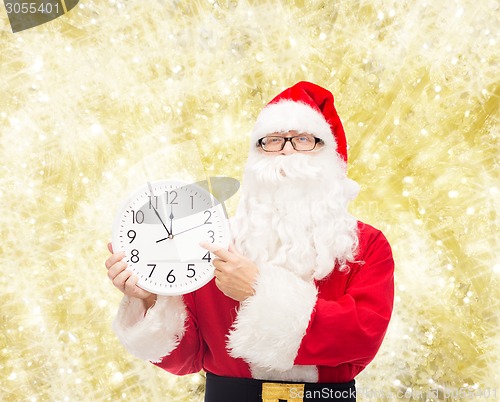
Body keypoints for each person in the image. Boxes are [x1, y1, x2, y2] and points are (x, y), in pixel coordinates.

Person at [105, 81, 394, 402]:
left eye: (303, 139)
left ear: (330, 156)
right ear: (255, 157)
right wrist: (149, 299)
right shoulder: (212, 243)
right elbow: (186, 357)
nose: (286, 150)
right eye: (272, 141)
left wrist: (259, 289)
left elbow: (360, 339)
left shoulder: (367, 246)